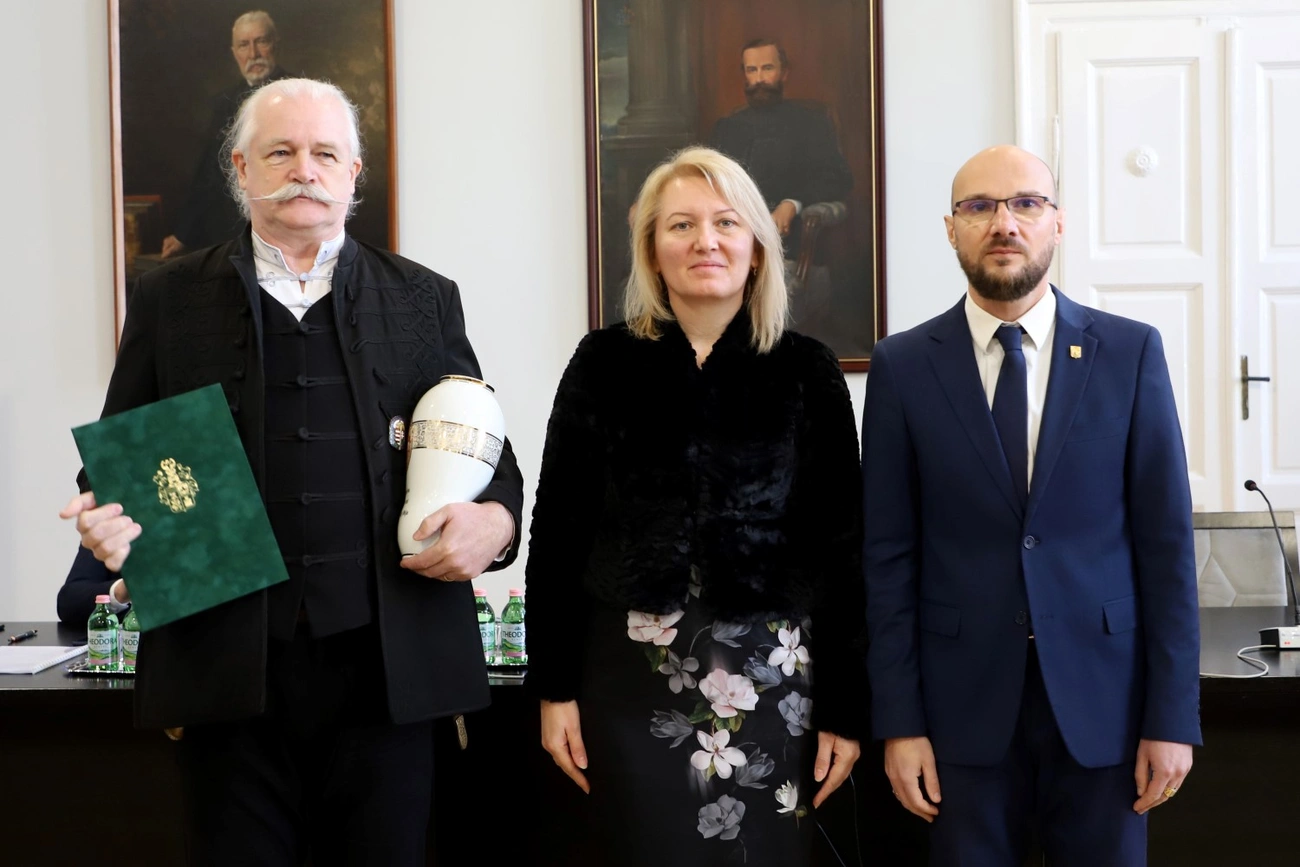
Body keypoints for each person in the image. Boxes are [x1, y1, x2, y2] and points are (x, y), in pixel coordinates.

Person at [59, 78, 523, 867]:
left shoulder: (424, 298)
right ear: (241, 169)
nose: (304, 169)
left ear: (353, 173)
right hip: (225, 673)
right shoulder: (169, 296)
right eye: (281, 152)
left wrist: (496, 521)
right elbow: (117, 458)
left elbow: (493, 463)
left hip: (388, 674)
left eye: (324, 154)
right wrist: (107, 517)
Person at [525, 146, 866, 866]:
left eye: (725, 223)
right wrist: (552, 687)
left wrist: (846, 706)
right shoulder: (602, 363)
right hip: (626, 679)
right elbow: (556, 533)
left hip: (772, 680)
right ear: (653, 250)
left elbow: (844, 550)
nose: (705, 241)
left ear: (757, 248)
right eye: (681, 225)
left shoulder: (808, 370)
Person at [861, 145, 1200, 866]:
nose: (1004, 223)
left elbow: (1167, 547)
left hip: (1106, 709)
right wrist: (899, 722)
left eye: (1025, 203)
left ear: (1057, 222)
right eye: (979, 207)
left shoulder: (1130, 352)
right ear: (951, 229)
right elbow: (888, 558)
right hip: (959, 714)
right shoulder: (902, 365)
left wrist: (1173, 716)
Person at [160, 10, 292, 259]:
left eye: (261, 42)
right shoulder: (224, 102)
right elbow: (208, 173)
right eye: (244, 45)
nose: (253, 54)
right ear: (234, 53)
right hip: (228, 233)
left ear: (276, 43)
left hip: (285, 229)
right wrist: (183, 234)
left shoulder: (299, 94)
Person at [708, 39, 852, 246]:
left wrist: (792, 203)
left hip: (788, 239)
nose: (759, 79)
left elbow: (837, 177)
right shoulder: (726, 127)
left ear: (784, 73)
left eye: (767, 68)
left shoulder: (811, 122)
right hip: (731, 238)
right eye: (752, 70)